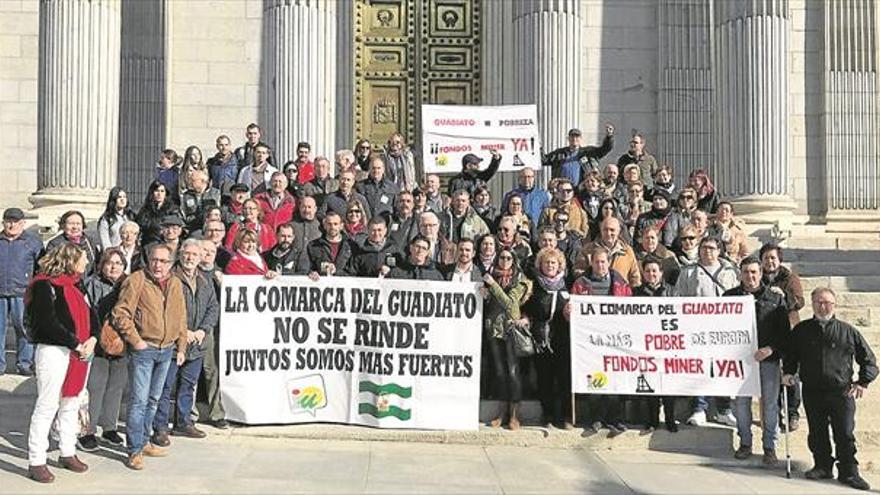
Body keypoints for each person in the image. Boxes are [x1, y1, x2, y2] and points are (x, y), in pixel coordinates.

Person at [783, 287, 877, 491]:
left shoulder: (848, 331)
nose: (822, 306)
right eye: (818, 302)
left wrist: (862, 382)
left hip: (841, 392)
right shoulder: (802, 330)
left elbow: (869, 360)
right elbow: (791, 355)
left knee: (844, 432)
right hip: (812, 390)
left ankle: (849, 472)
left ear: (834, 305)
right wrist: (788, 372)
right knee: (817, 432)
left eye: (827, 302)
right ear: (812, 303)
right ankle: (822, 466)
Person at [25, 243, 100, 483]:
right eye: (83, 258)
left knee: (72, 402)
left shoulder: (77, 284)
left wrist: (92, 338)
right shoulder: (43, 285)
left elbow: (93, 316)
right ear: (69, 260)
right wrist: (75, 343)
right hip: (54, 351)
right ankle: (37, 459)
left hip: (80, 352)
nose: (87, 262)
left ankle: (67, 451)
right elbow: (45, 322)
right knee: (47, 405)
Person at [112, 243, 187, 470]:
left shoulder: (175, 283)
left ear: (171, 264)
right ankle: (134, 450)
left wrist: (181, 346)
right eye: (154, 260)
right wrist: (136, 341)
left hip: (167, 350)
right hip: (144, 350)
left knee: (153, 400)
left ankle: (144, 441)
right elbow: (121, 313)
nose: (158, 265)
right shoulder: (137, 280)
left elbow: (181, 316)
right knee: (139, 401)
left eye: (163, 261)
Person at [152, 239, 219, 445]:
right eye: (187, 254)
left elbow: (213, 308)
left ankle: (183, 422)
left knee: (188, 385)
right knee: (165, 386)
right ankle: (160, 427)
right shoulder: (171, 278)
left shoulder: (204, 281)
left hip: (196, 344)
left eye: (194, 255)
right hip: (173, 343)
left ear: (200, 258)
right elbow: (165, 309)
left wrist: (202, 330)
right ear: (180, 255)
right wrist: (184, 331)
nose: (190, 258)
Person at [725, 257, 790, 464]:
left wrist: (771, 349)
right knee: (741, 404)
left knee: (770, 405)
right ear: (740, 274)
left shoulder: (775, 298)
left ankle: (769, 446)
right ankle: (745, 442)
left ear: (761, 274)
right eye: (745, 272)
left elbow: (784, 333)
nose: (750, 276)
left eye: (754, 272)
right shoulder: (729, 297)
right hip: (740, 361)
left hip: (768, 360)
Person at [675, 236, 739, 426]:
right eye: (704, 247)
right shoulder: (688, 271)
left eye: (711, 248)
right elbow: (679, 297)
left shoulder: (730, 271)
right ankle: (699, 408)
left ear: (719, 250)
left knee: (722, 368)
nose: (707, 251)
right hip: (697, 328)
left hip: (723, 329)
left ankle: (724, 409)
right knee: (699, 367)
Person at [570, 246, 633, 434]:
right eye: (597, 262)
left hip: (616, 341)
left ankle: (616, 419)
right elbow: (572, 308)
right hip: (591, 343)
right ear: (591, 263)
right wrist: (568, 312)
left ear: (608, 262)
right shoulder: (581, 283)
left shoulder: (620, 283)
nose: (600, 265)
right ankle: (596, 418)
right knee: (595, 380)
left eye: (603, 262)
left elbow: (630, 308)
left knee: (616, 380)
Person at [77, 248, 128, 452]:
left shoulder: (129, 284)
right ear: (102, 265)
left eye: (118, 263)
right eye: (109, 262)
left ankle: (109, 427)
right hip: (96, 343)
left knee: (116, 388)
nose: (113, 266)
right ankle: (87, 431)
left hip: (122, 344)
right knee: (95, 388)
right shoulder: (90, 284)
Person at [523, 247, 571, 428]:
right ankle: (548, 415)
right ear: (540, 265)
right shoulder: (534, 285)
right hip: (540, 338)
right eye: (546, 263)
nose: (550, 265)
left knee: (563, 378)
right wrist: (526, 317)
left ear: (559, 266)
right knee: (545, 379)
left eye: (553, 263)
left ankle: (565, 416)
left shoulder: (566, 285)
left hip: (561, 339)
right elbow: (527, 308)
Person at [483, 247, 530, 430]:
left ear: (514, 260)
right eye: (501, 257)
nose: (504, 260)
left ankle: (515, 414)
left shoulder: (521, 280)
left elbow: (511, 304)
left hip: (512, 331)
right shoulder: (490, 276)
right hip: (494, 330)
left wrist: (492, 285)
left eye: (508, 258)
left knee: (513, 372)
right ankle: (501, 412)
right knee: (500, 373)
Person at [760, 243, 806, 430]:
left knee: (791, 372)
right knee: (772, 377)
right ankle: (775, 413)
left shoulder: (790, 278)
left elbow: (800, 302)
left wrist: (783, 296)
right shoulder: (758, 277)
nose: (770, 262)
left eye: (773, 258)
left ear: (779, 260)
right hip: (768, 332)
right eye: (766, 258)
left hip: (789, 329)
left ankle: (793, 412)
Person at [634, 259, 678, 432]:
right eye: (647, 271)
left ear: (661, 273)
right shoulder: (636, 293)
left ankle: (670, 419)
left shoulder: (673, 292)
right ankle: (652, 420)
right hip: (646, 346)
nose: (651, 275)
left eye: (654, 271)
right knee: (650, 383)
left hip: (667, 345)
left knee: (668, 385)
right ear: (643, 274)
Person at [0, 207, 42, 376]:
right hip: (0, 293)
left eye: (15, 221)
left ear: (23, 223)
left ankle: (24, 363)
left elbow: (40, 268)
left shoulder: (33, 242)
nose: (12, 225)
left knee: (24, 329)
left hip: (23, 293)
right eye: (8, 221)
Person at [196, 239, 227, 429]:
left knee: (211, 371)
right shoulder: (188, 272)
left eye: (211, 251)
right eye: (204, 250)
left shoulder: (220, 274)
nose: (208, 254)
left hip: (209, 330)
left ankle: (217, 414)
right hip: (189, 329)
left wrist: (224, 284)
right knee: (188, 374)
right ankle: (187, 415)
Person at [575, 217, 641, 287]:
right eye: (605, 230)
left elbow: (635, 277)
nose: (608, 233)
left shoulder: (628, 251)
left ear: (619, 231)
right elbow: (578, 272)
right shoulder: (588, 250)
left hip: (620, 294)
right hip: (595, 293)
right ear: (601, 230)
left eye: (612, 230)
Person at [542, 125, 615, 186]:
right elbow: (544, 160)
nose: (574, 139)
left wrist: (609, 137)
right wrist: (537, 146)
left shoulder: (588, 152)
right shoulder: (559, 153)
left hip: (580, 190)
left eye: (577, 137)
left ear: (580, 139)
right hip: (562, 190)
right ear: (568, 138)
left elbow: (604, 149)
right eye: (572, 136)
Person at [44, 210, 100, 276]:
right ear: (63, 225)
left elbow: (97, 263)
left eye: (78, 224)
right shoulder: (55, 244)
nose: (75, 227)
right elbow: (50, 267)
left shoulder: (89, 242)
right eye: (71, 224)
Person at [307, 211, 353, 277]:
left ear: (341, 226)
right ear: (324, 225)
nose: (332, 227)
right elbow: (308, 268)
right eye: (329, 224)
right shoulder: (313, 246)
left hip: (345, 285)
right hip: (321, 285)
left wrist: (336, 272)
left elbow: (354, 271)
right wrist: (312, 273)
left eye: (335, 224)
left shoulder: (351, 246)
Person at [180, 169, 222, 234]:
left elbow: (217, 213)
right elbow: (183, 214)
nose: (190, 182)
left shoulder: (215, 193)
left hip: (210, 228)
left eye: (193, 180)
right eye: (190, 180)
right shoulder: (187, 195)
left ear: (203, 181)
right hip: (192, 228)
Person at [137, 180, 177, 247]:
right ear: (152, 193)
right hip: (148, 244)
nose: (159, 194)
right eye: (157, 191)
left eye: (162, 191)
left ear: (166, 193)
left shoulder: (172, 210)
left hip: (165, 244)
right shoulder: (145, 210)